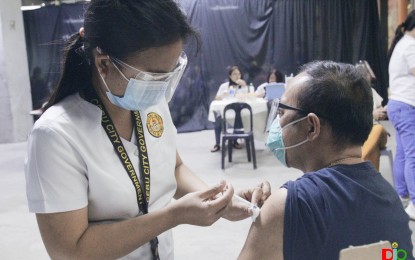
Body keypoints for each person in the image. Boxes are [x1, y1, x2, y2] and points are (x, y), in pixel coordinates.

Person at [24, 1, 270, 259]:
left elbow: (173, 168)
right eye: (152, 77)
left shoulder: (150, 103)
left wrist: (218, 199)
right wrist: (174, 215)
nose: (161, 88)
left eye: (170, 73)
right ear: (104, 63)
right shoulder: (56, 136)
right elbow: (70, 251)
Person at [238, 61, 413, 260]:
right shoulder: (390, 200)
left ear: (311, 126)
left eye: (281, 113)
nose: (277, 124)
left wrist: (275, 214)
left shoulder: (287, 204)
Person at [387, 10, 415, 219]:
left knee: (404, 153)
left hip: (397, 104)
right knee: (412, 155)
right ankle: (414, 203)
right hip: (406, 106)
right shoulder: (411, 46)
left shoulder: (400, 44)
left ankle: (403, 195)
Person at [355, 61, 388, 171]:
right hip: (363, 134)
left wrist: (382, 112)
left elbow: (379, 110)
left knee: (377, 129)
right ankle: (370, 179)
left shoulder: (372, 91)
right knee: (374, 150)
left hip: (376, 131)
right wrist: (371, 114)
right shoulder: (352, 95)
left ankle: (358, 163)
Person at [211, 66, 247, 152]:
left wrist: (245, 87)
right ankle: (217, 143)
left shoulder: (242, 86)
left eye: (239, 74)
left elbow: (247, 98)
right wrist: (223, 95)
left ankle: (235, 140)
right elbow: (216, 98)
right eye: (234, 74)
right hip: (224, 111)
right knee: (218, 118)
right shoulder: (224, 86)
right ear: (230, 76)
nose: (237, 76)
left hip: (237, 112)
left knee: (239, 115)